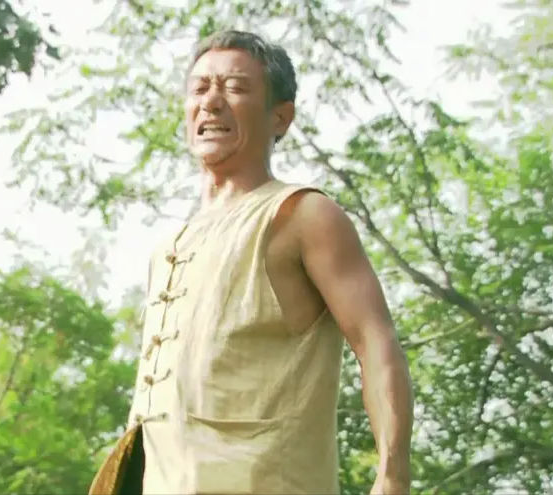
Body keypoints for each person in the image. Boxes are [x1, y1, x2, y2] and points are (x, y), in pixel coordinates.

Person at [107, 29, 414, 495]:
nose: (211, 102)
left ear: (280, 117)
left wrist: (392, 476)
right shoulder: (168, 247)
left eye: (234, 87)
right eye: (199, 88)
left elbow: (375, 340)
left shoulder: (302, 215)